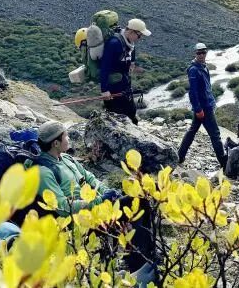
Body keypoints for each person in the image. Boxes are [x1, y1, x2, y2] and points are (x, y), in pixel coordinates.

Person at [34, 121, 156, 286]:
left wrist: (111, 194)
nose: (69, 139)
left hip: (99, 207)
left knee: (141, 199)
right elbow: (62, 207)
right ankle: (140, 266)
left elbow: (91, 179)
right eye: (66, 136)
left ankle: (142, 260)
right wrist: (100, 200)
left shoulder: (67, 158)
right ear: (55, 143)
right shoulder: (44, 171)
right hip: (81, 220)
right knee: (137, 201)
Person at [177, 43, 228, 169]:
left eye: (203, 52)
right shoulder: (193, 69)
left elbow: (207, 87)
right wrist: (198, 109)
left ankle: (180, 156)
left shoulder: (204, 67)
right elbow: (193, 92)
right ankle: (224, 162)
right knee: (215, 134)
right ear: (195, 54)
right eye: (199, 53)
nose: (201, 55)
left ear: (206, 53)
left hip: (207, 104)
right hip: (203, 107)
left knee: (193, 130)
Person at [101, 18, 151, 124]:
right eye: (139, 35)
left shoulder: (128, 42)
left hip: (124, 85)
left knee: (132, 114)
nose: (140, 38)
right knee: (116, 119)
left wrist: (132, 62)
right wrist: (104, 90)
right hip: (113, 88)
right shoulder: (114, 43)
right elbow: (104, 67)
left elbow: (131, 50)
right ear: (132, 31)